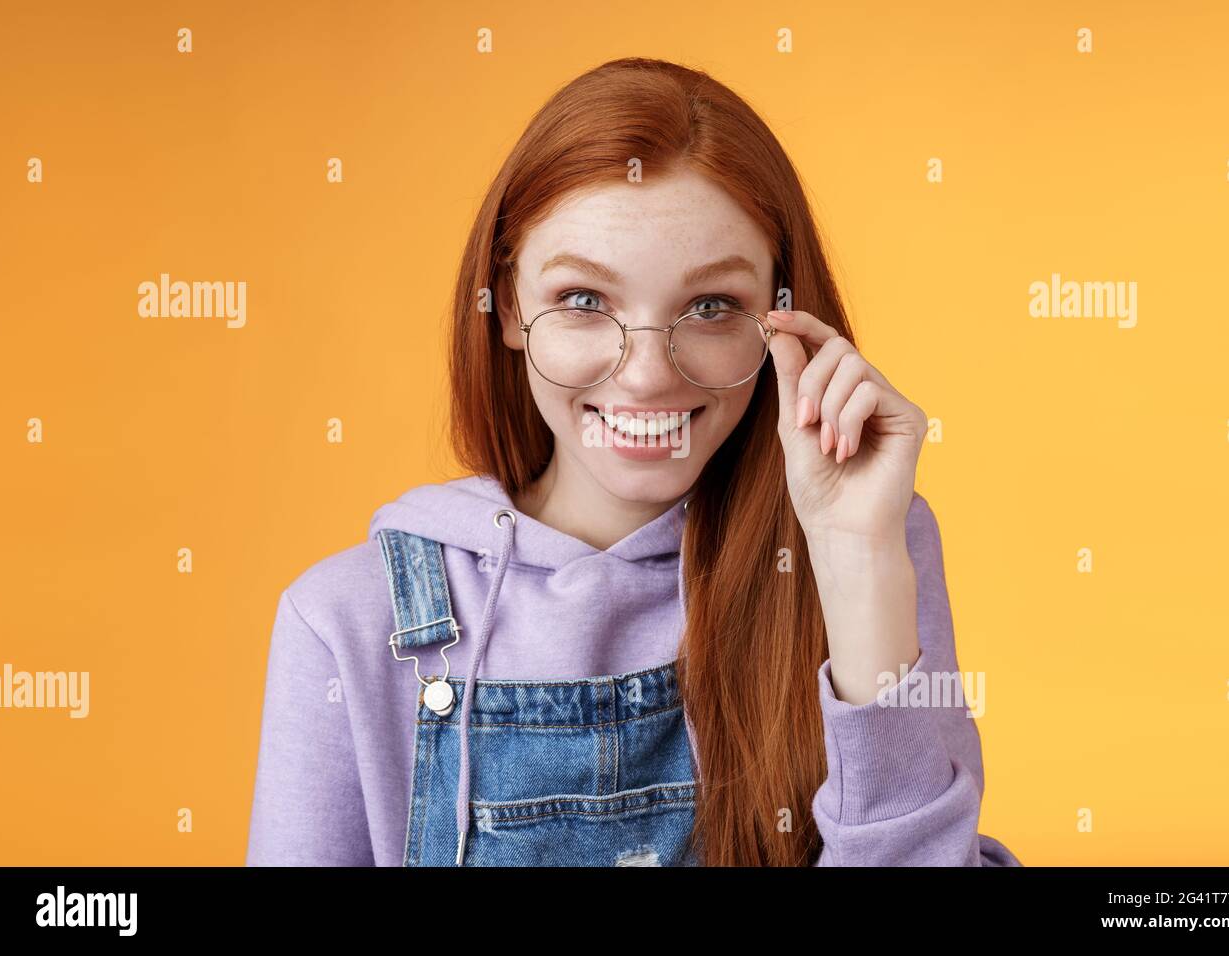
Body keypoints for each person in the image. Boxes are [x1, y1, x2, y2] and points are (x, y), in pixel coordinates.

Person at [245, 56, 1021, 867]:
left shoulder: (865, 545)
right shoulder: (346, 623)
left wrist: (860, 564)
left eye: (711, 307)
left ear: (783, 321)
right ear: (509, 306)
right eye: (584, 301)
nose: (649, 373)